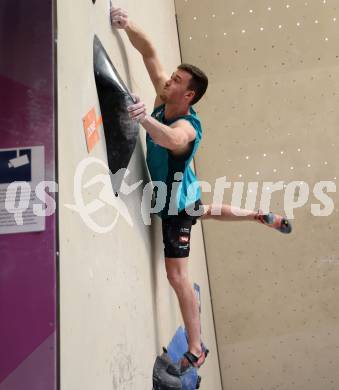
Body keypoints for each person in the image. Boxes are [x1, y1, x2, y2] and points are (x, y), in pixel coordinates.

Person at [110, 6, 292, 375]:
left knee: (178, 276)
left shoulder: (188, 128)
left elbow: (172, 138)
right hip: (185, 194)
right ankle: (259, 215)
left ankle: (197, 348)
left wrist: (142, 117)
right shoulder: (165, 97)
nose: (167, 81)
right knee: (202, 209)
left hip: (174, 206)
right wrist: (127, 24)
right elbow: (149, 53)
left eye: (176, 80)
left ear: (189, 95)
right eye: (172, 76)